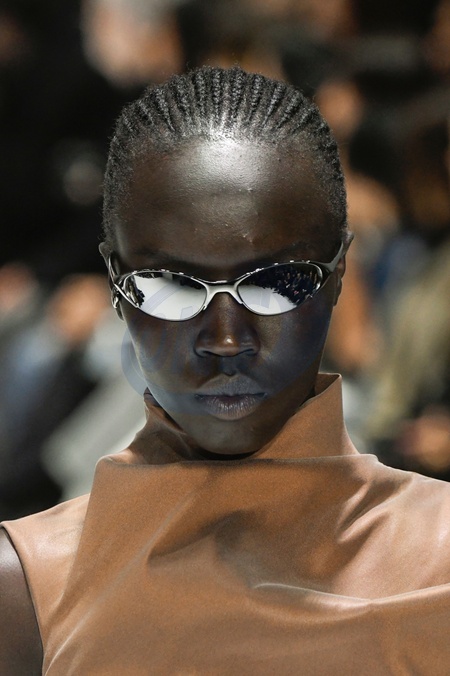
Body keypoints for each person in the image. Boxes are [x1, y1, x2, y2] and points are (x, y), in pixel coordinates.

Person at [1, 65, 450, 675]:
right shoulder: (24, 589)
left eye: (276, 283)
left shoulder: (439, 561)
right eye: (170, 286)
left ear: (339, 272)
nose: (226, 339)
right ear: (115, 282)